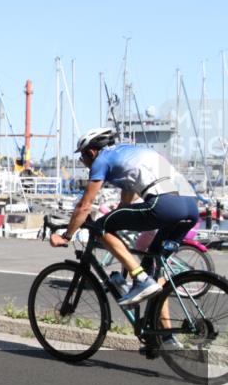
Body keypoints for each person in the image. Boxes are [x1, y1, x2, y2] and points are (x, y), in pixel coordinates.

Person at [49, 127, 199, 310]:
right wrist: (118, 218)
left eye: (82, 158)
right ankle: (164, 336)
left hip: (165, 204)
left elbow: (84, 205)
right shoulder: (128, 152)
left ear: (91, 151)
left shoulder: (101, 160)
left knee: (99, 227)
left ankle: (139, 278)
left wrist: (66, 236)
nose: (83, 162)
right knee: (154, 271)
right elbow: (127, 198)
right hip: (190, 206)